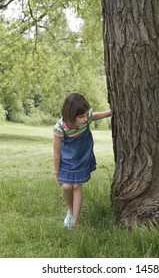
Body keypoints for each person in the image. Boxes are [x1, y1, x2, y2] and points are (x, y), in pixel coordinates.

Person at [53, 93, 112, 229]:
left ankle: (75, 222)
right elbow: (56, 152)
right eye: (81, 117)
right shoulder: (60, 128)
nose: (86, 119)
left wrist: (110, 113)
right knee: (67, 187)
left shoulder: (86, 117)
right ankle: (71, 210)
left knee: (77, 186)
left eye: (86, 115)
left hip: (82, 157)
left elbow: (95, 115)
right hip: (67, 160)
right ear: (69, 115)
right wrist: (57, 173)